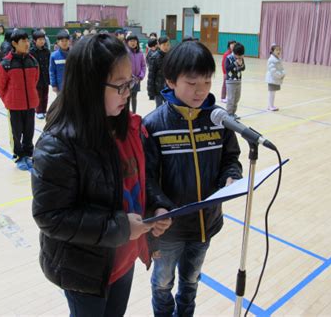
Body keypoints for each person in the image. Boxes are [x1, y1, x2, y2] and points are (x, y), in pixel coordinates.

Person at [31, 33, 171, 317]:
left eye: (130, 83)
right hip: (85, 269)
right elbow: (50, 216)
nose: (127, 93)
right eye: (120, 86)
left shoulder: (128, 126)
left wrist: (156, 204)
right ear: (89, 87)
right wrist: (119, 227)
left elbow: (141, 177)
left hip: (124, 256)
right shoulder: (59, 143)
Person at [142, 40, 243, 317]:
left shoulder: (218, 120)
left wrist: (231, 177)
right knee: (162, 284)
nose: (201, 91)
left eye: (207, 82)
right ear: (171, 81)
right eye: (192, 83)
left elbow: (230, 158)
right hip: (168, 229)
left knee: (191, 281)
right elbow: (147, 178)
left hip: (206, 225)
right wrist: (158, 207)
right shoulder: (153, 125)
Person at [0, 29, 39, 170]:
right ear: (14, 43)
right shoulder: (6, 64)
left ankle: (28, 154)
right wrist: (9, 101)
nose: (27, 44)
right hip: (14, 106)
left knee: (29, 132)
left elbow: (35, 80)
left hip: (30, 104)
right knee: (16, 133)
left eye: (28, 40)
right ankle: (19, 156)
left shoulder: (32, 61)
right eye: (23, 41)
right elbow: (1, 87)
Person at [30, 30, 51, 119]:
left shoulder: (47, 51)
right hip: (37, 77)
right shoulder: (31, 52)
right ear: (35, 41)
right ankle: (38, 110)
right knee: (38, 95)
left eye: (43, 39)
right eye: (40, 39)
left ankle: (44, 110)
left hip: (46, 76)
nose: (42, 41)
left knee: (45, 95)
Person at [147, 36, 170, 108]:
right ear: (159, 45)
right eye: (164, 45)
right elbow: (151, 76)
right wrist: (151, 92)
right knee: (159, 108)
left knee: (168, 108)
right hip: (158, 89)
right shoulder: (154, 57)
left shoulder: (170, 56)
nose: (166, 47)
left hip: (169, 88)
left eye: (168, 45)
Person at [125, 34, 146, 114]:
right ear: (127, 42)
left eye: (134, 41)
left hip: (137, 80)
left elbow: (143, 66)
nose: (133, 43)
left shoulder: (140, 53)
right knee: (127, 97)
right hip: (128, 80)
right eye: (131, 41)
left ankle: (134, 113)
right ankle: (126, 115)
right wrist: (130, 77)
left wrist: (141, 76)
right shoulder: (125, 53)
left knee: (134, 97)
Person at [225, 42, 245, 119]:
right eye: (238, 55)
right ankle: (229, 114)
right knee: (231, 98)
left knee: (237, 98)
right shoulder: (229, 57)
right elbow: (227, 68)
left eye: (241, 55)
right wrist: (235, 63)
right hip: (230, 81)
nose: (239, 57)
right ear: (234, 52)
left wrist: (241, 65)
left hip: (238, 81)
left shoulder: (241, 58)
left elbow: (243, 68)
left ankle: (233, 113)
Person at [266, 44, 285, 111]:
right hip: (272, 79)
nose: (278, 51)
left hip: (276, 78)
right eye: (277, 50)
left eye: (279, 50)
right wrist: (280, 75)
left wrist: (283, 74)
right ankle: (270, 106)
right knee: (272, 93)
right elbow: (273, 71)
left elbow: (281, 68)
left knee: (273, 93)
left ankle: (270, 105)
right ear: (272, 51)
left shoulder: (278, 59)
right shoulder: (271, 60)